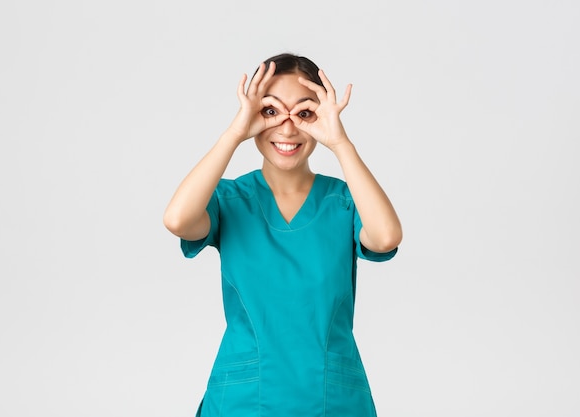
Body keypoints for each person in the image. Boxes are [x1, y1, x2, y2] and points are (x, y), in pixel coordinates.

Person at [163, 52, 402, 417]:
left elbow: (385, 237)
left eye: (305, 113)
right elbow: (178, 219)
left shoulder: (343, 203)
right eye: (271, 111)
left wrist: (341, 144)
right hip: (245, 401)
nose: (288, 129)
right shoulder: (231, 201)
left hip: (331, 401)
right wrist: (235, 132)